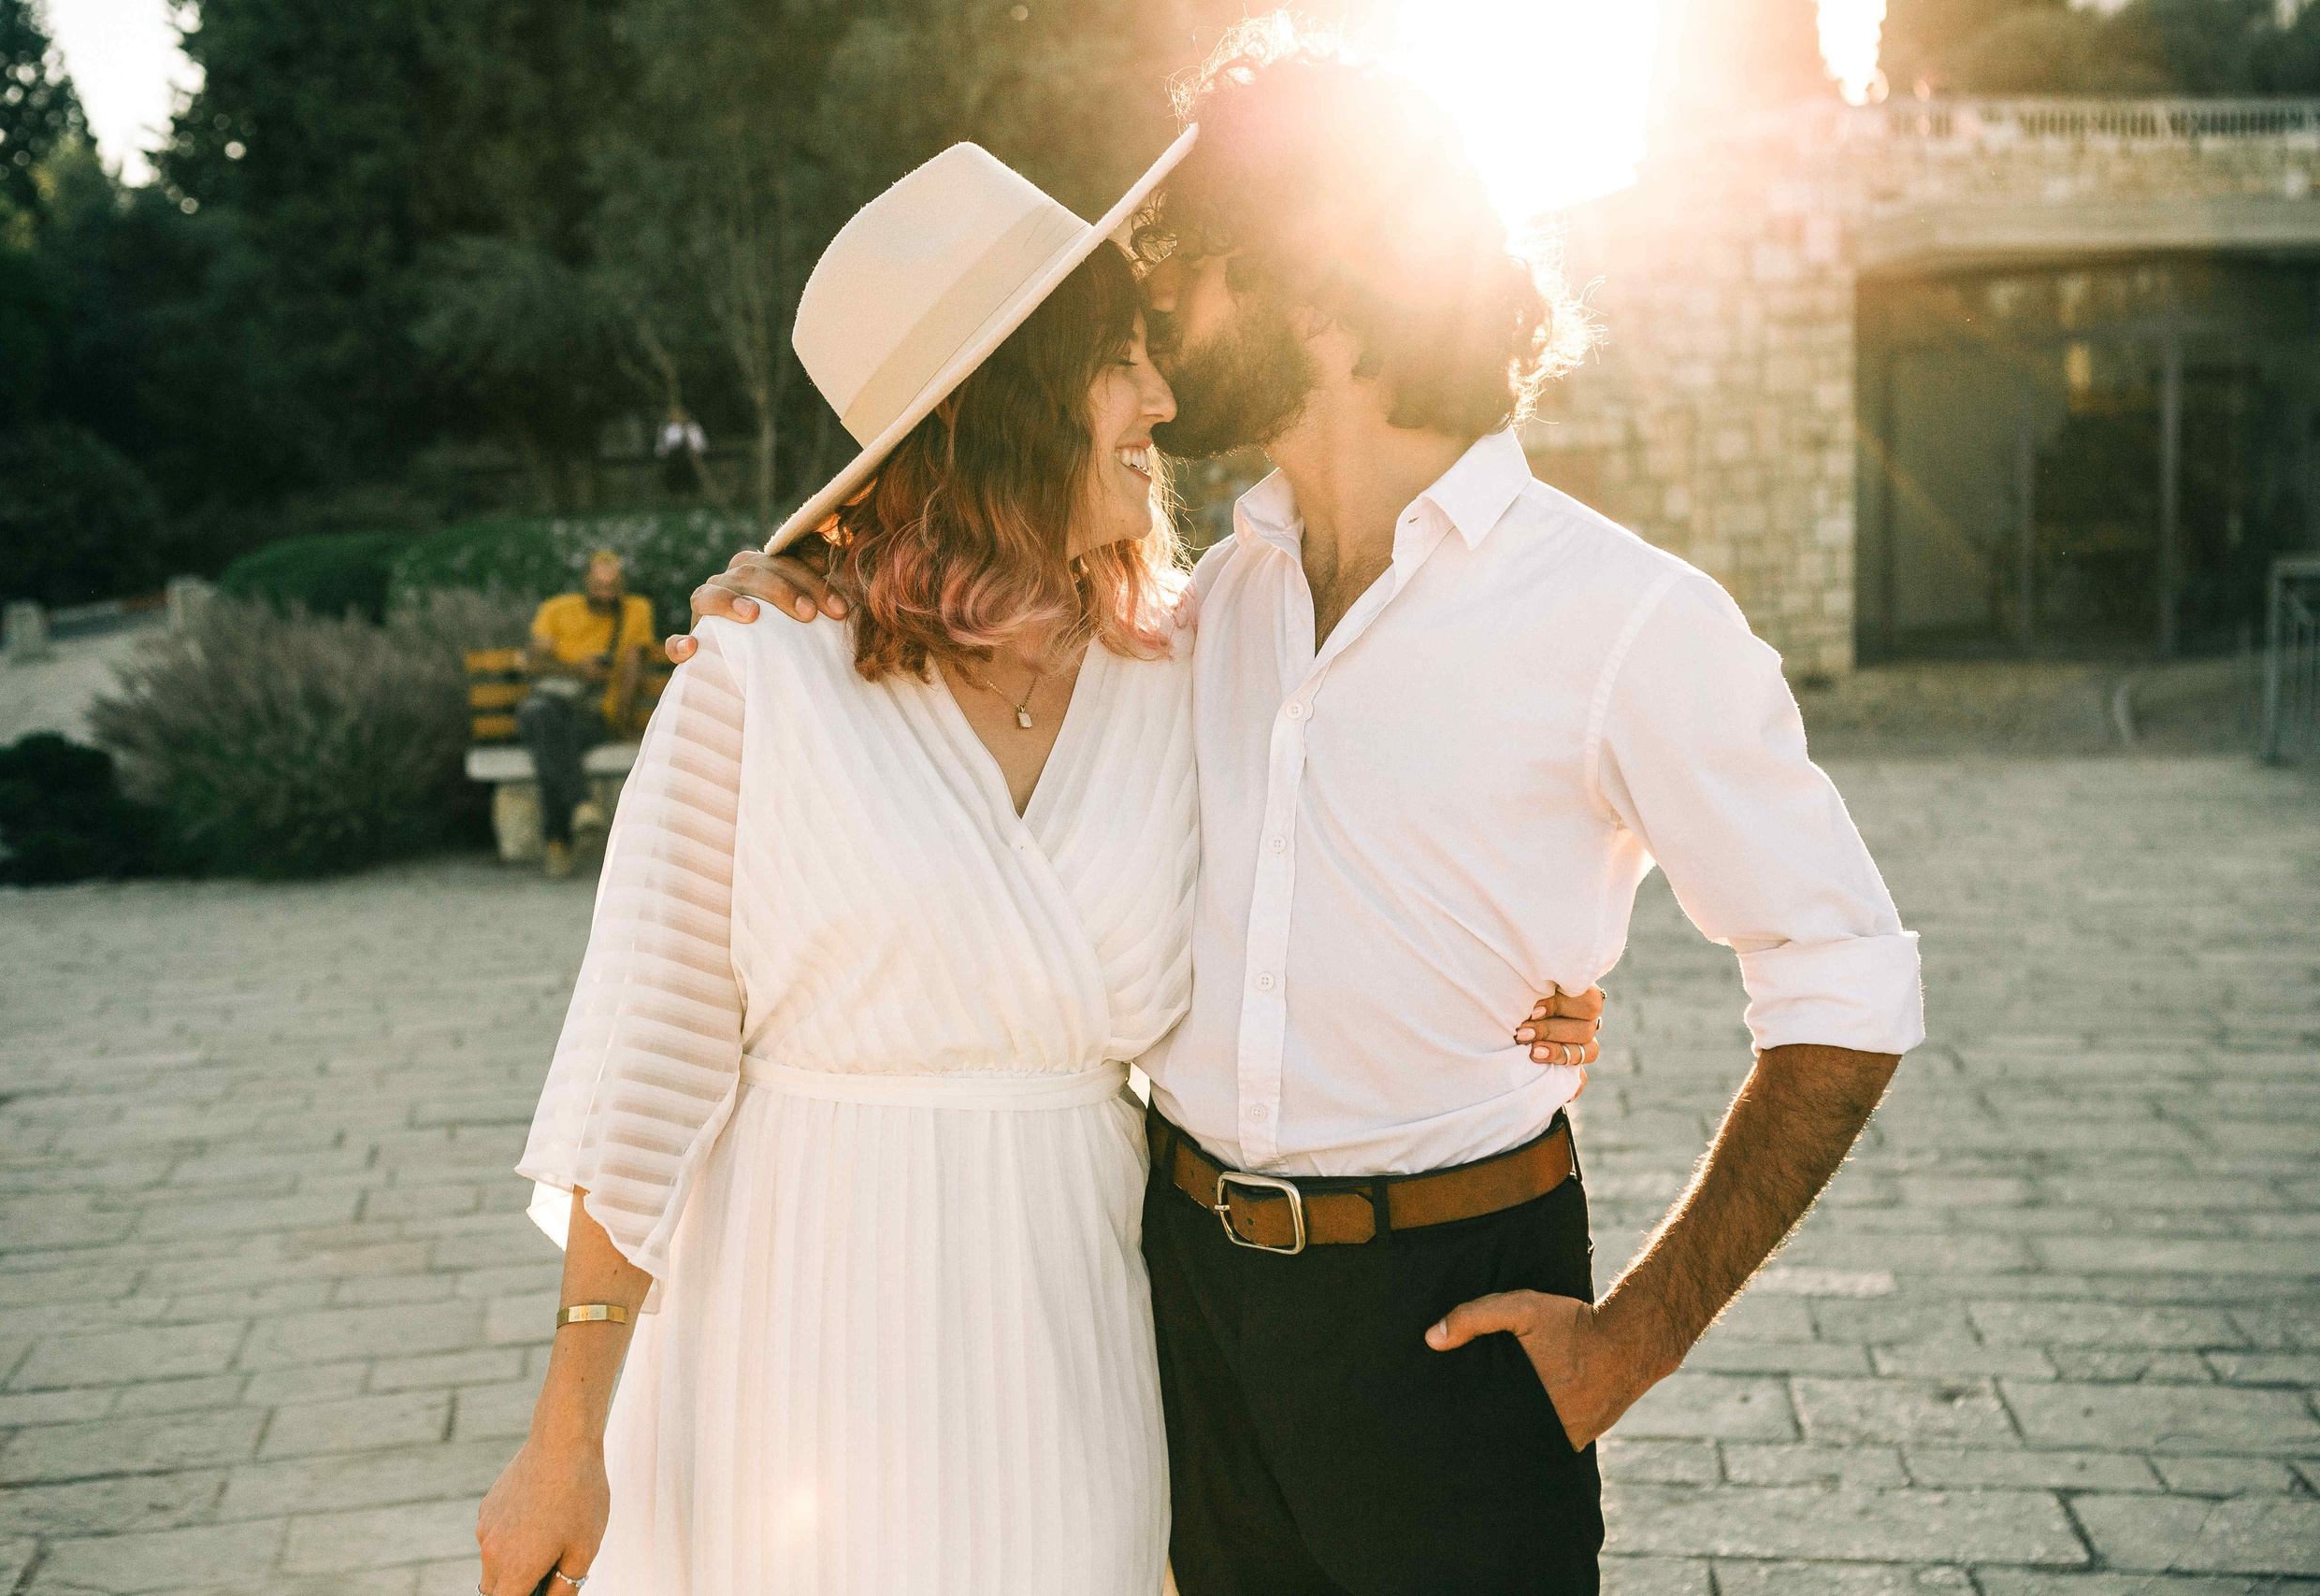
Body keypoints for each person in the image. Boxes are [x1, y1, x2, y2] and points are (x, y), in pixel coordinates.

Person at [675, 19, 1924, 1596]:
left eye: (1175, 269)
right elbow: (980, 665)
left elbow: (1847, 981)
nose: (1154, 331)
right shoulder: (1197, 611)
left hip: (1453, 1315)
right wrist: (805, 588)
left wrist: (1634, 1340)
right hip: (1177, 1294)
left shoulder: (1626, 622)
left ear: (1314, 274)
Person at [518, 550, 654, 878]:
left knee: (548, 739)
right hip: (551, 705)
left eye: (612, 586)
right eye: (599, 585)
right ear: (587, 583)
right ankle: (581, 805)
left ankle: (558, 841)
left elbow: (634, 670)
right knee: (541, 717)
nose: (605, 593)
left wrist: (623, 723)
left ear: (621, 587)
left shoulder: (636, 610)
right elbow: (532, 664)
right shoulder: (556, 610)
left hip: (593, 717)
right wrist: (578, 670)